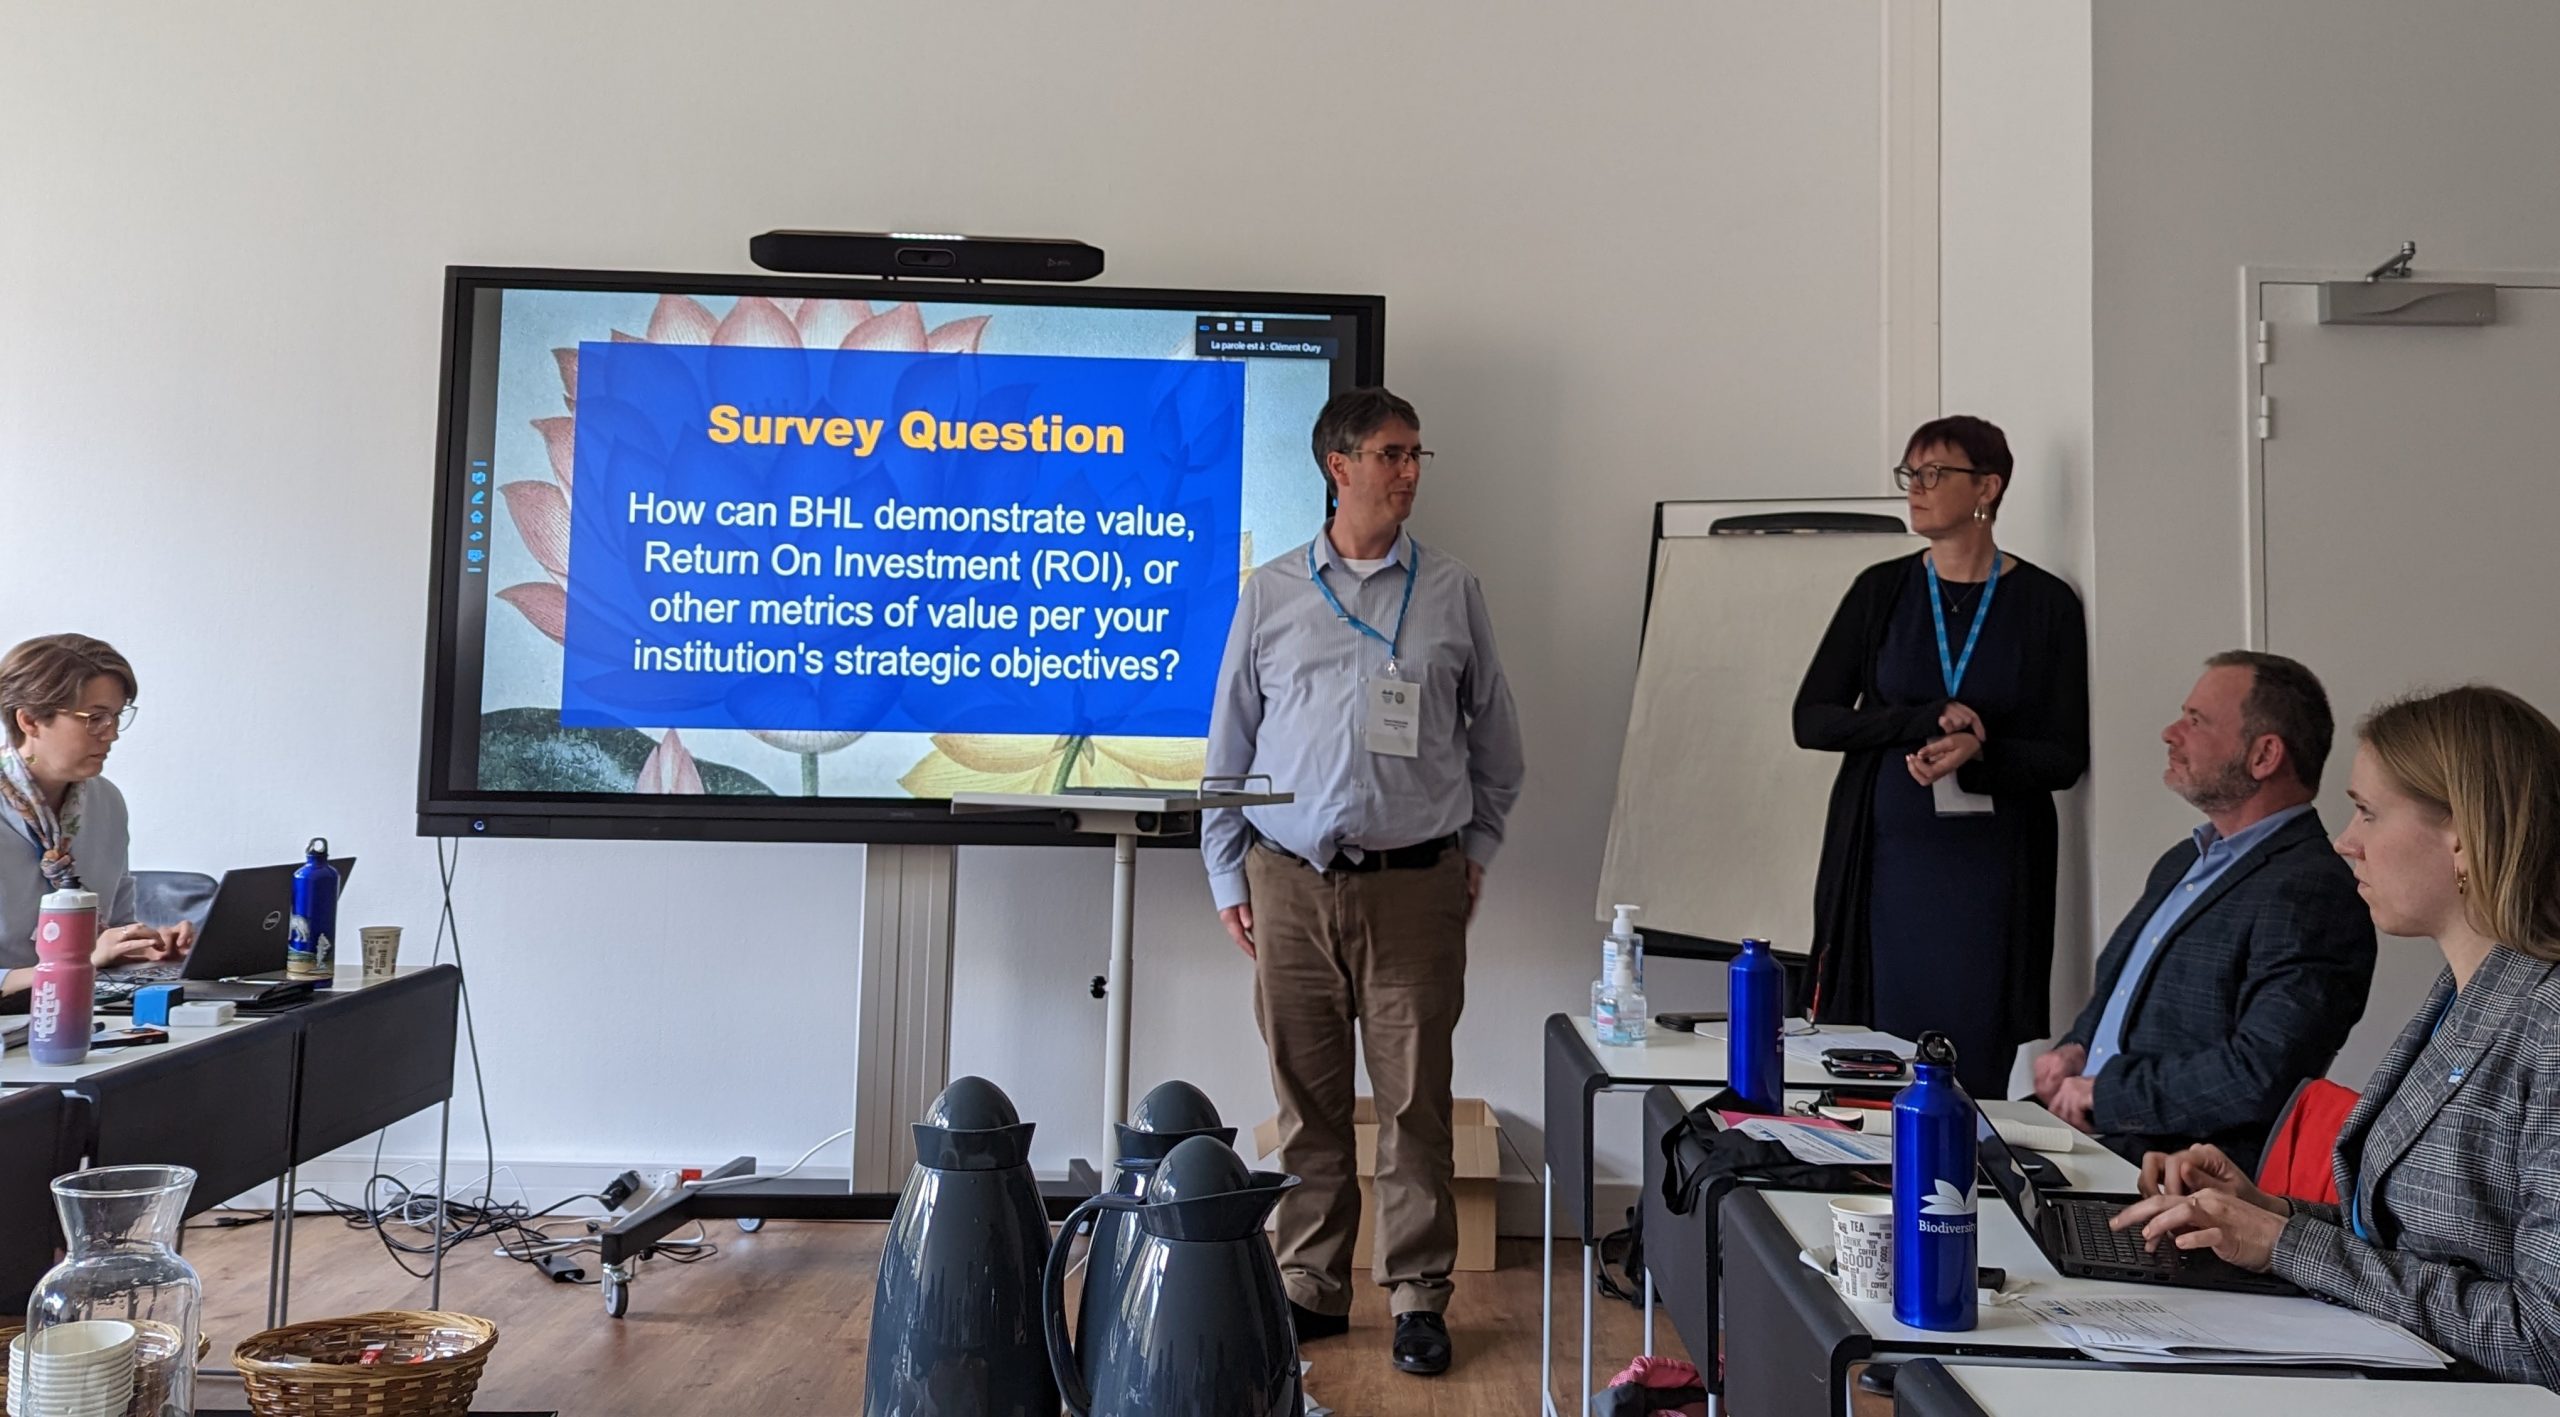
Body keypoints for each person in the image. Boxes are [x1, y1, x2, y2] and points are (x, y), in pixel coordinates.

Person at [1202, 387, 1524, 1379]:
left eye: (1418, 453)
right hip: (1288, 883)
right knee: (1308, 1105)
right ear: (1337, 465)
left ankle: (1420, 1296)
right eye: (1391, 453)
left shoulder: (1452, 590)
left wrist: (1471, 855)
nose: (1410, 470)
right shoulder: (1270, 590)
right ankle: (1311, 1287)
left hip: (1414, 887)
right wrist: (1226, 871)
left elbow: (1497, 747)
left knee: (1416, 1103)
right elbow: (1232, 741)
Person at [2118, 685, 2560, 1387]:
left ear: (2465, 835)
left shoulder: (2549, 1021)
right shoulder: (2462, 991)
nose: (2344, 840)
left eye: (2367, 812)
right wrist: (2263, 1212)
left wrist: (2289, 1245)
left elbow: (2545, 1337)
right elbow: (2412, 1243)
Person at [1795, 416, 2089, 1096]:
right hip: (1886, 869)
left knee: (1969, 1064)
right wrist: (1918, 720)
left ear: (1988, 486)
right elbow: (1812, 719)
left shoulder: (2045, 604)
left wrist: (1979, 752)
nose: (1917, 490)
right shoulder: (1882, 590)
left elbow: (2064, 756)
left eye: (1935, 474)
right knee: (1877, 1058)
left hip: (1990, 875)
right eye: (1910, 474)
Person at [2034, 652, 2375, 1172]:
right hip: (2084, 1136)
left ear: (2264, 756)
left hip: (2171, 1172)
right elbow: (2120, 995)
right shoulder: (2183, 859)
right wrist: (2076, 1049)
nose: (2172, 733)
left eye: (2196, 721)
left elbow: (2260, 1075)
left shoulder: (2314, 890)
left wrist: (2106, 1095)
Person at [1, 634, 190, 1008]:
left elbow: (116, 926)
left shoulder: (107, 802)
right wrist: (77, 962)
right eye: (95, 718)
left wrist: (144, 946)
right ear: (30, 720)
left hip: (83, 1008)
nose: (113, 734)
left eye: (117, 716)